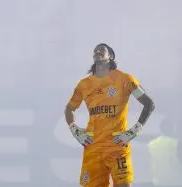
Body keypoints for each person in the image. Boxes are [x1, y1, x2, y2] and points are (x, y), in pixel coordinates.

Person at [64, 43, 156, 187]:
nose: (97, 51)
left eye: (102, 49)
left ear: (111, 56)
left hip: (117, 146)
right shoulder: (84, 84)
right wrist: (75, 130)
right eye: (95, 50)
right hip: (93, 147)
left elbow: (149, 104)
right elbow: (69, 109)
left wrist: (134, 131)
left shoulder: (125, 79)